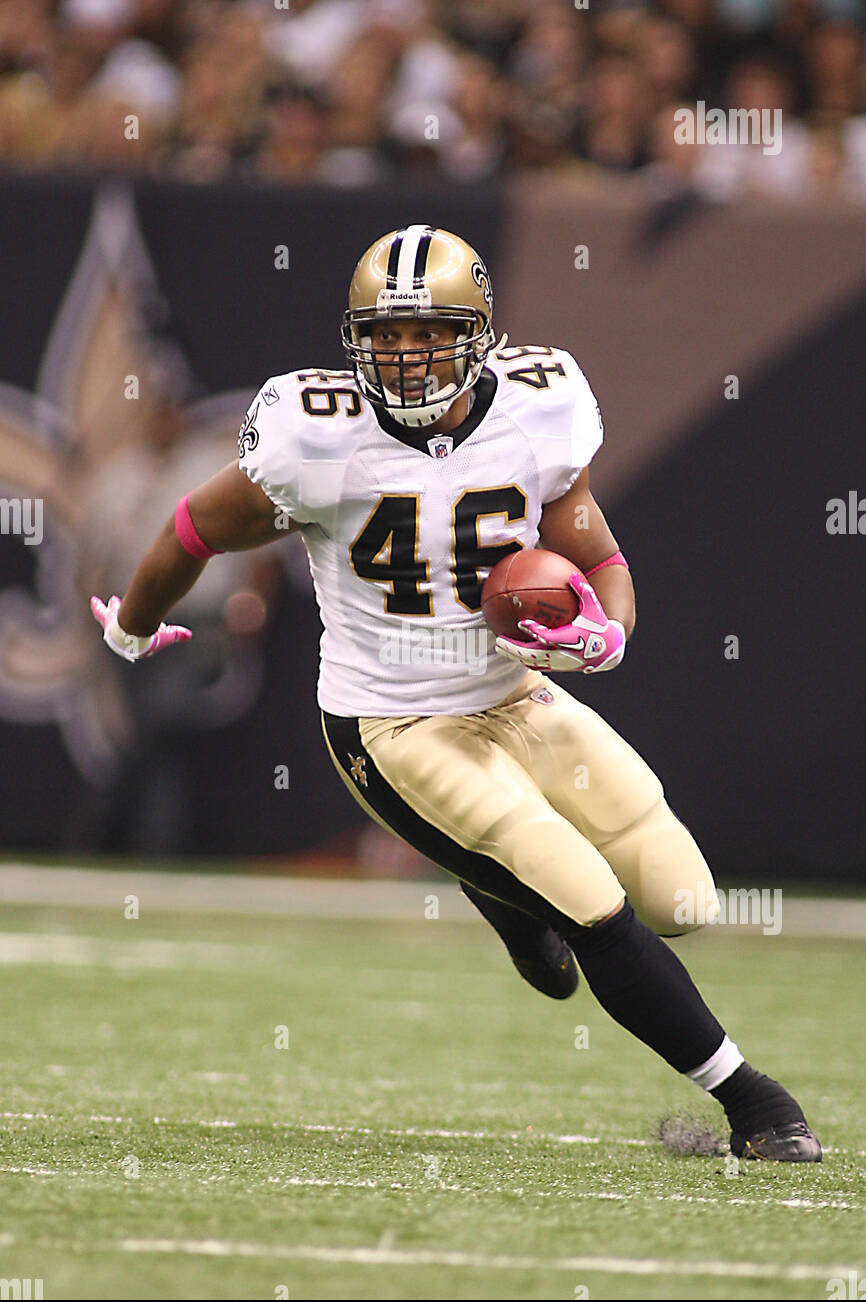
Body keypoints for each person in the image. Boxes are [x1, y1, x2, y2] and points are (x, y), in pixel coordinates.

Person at [92, 224, 821, 1162]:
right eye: (383, 335)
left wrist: (607, 631)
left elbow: (597, 554)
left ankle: (497, 895)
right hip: (394, 723)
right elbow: (192, 530)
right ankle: (755, 1105)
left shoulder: (538, 408)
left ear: (478, 332)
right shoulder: (318, 435)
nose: (402, 355)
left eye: (426, 331)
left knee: (684, 899)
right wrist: (134, 624)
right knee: (588, 899)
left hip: (517, 699)